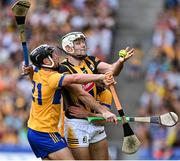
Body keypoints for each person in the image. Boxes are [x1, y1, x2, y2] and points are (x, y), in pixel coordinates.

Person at [26, 44, 117, 160]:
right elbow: (75, 78)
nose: (57, 56)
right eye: (52, 55)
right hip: (46, 133)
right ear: (46, 61)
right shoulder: (52, 78)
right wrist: (100, 77)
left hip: (33, 130)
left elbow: (33, 74)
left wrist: (29, 72)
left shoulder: (37, 72)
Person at [57, 31, 134, 160]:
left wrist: (120, 62)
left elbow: (111, 71)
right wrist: (103, 112)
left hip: (96, 123)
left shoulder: (90, 61)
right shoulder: (63, 69)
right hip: (76, 125)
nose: (83, 45)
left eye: (83, 42)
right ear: (68, 47)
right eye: (78, 43)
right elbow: (81, 94)